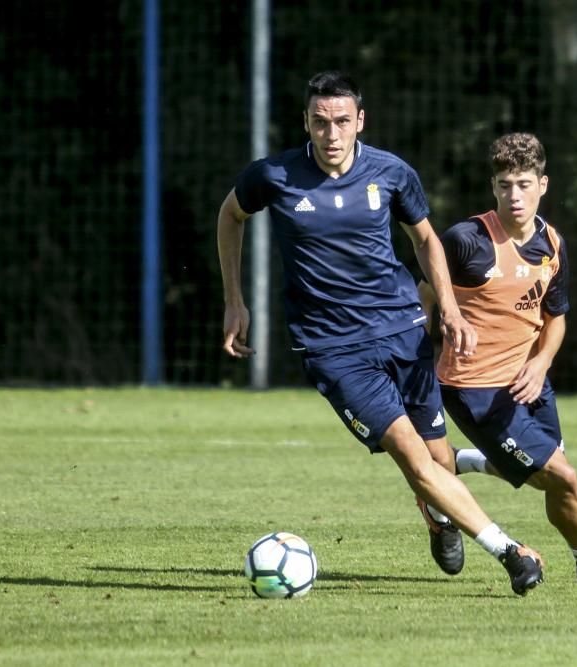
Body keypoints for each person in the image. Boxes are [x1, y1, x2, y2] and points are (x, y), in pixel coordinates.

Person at [217, 71, 544, 595]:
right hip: (332, 348)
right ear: (306, 121)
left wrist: (452, 311)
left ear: (359, 122)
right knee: (411, 454)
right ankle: (511, 552)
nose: (331, 134)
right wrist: (234, 299)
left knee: (435, 458)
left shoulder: (391, 173)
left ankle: (440, 517)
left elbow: (426, 241)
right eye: (320, 122)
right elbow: (230, 215)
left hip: (403, 330)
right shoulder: (273, 175)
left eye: (342, 121)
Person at [418, 132, 577, 584]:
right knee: (562, 476)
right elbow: (424, 295)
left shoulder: (552, 243)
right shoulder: (467, 241)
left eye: (523, 183)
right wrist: (422, 355)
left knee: (549, 475)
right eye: (504, 185)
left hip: (529, 381)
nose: (514, 195)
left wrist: (539, 366)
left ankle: (454, 465)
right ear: (493, 187)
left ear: (544, 184)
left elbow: (556, 319)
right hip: (474, 388)